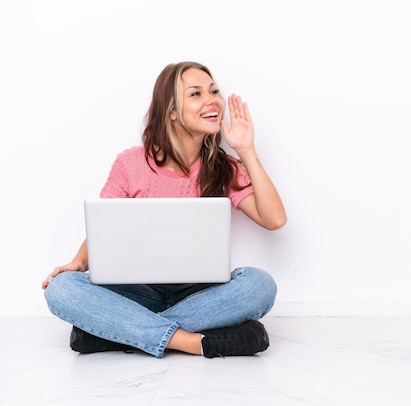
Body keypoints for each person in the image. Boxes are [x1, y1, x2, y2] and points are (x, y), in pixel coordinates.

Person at [41, 61, 287, 359]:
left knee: (259, 285)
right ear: (171, 111)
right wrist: (77, 262)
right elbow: (104, 230)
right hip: (137, 291)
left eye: (214, 91)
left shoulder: (225, 168)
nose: (212, 100)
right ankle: (191, 342)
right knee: (61, 288)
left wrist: (247, 149)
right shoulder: (130, 163)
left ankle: (118, 333)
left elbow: (274, 219)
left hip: (199, 293)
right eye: (196, 94)